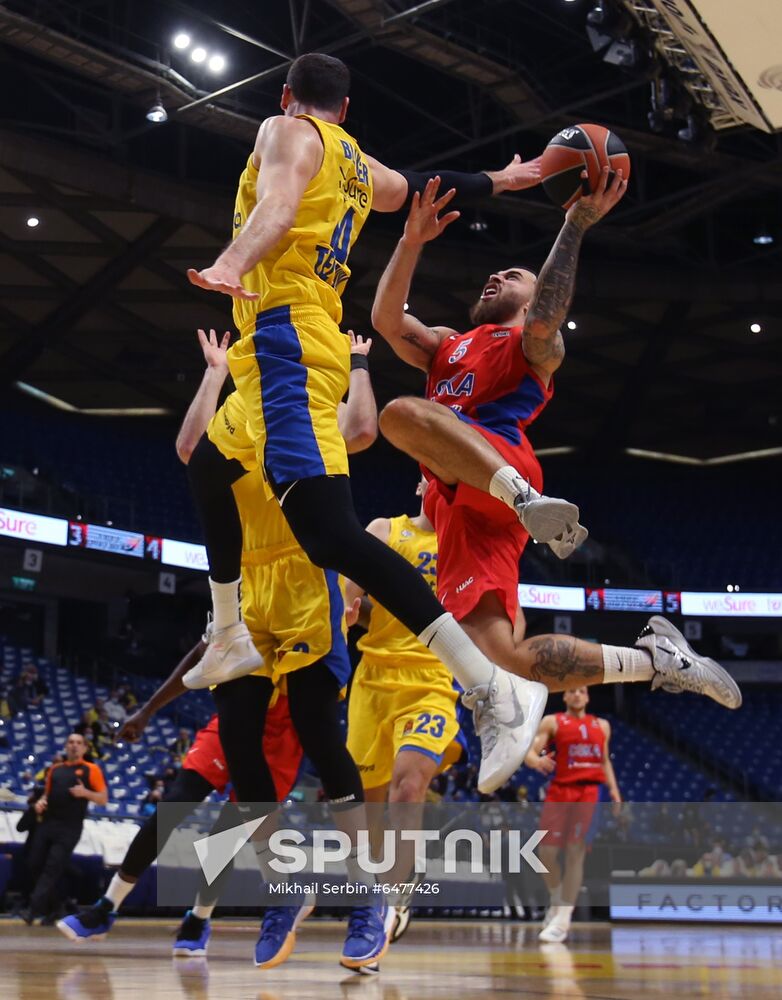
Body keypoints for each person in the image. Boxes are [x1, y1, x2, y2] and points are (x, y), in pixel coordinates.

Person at [184, 51, 575, 796]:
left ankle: (490, 687)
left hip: (285, 341)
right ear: (348, 108)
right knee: (209, 462)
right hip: (280, 346)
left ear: (288, 96)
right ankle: (229, 632)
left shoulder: (285, 131)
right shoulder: (361, 166)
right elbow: (428, 186)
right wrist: (510, 178)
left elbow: (278, 202)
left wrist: (233, 259)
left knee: (332, 533)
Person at [370, 171, 742, 723]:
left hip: (502, 465)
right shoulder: (448, 345)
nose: (496, 275)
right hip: (463, 510)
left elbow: (547, 310)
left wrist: (574, 223)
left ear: (530, 298)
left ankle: (523, 498)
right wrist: (410, 242)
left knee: (399, 414)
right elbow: (385, 319)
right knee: (501, 655)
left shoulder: (533, 344)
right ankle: (655, 660)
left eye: (512, 275)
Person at [57, 641, 301, 955]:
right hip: (232, 721)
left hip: (281, 740)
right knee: (172, 807)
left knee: (223, 838)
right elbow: (201, 653)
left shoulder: (313, 615)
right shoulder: (245, 605)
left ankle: (198, 920)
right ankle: (106, 908)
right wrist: (147, 712)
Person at [343, 477, 466, 956]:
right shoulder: (383, 531)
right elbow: (347, 592)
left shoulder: (467, 546)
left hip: (433, 681)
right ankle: (387, 884)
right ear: (419, 484)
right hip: (373, 681)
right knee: (369, 815)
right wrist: (346, 613)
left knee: (409, 785)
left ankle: (391, 901)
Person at [525, 686, 621, 943]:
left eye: (582, 691)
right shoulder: (553, 721)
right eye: (572, 691)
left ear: (588, 697)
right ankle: (556, 899)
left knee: (575, 851)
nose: (577, 695)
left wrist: (613, 789)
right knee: (545, 853)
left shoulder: (602, 726)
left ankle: (564, 918)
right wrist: (537, 762)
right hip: (560, 791)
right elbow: (530, 751)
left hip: (588, 792)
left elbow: (604, 761)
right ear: (565, 697)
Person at [21, 732, 107, 924]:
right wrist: (41, 802)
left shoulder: (91, 769)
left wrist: (85, 792)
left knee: (52, 867)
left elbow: (103, 798)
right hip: (48, 823)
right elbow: (47, 794)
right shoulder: (56, 770)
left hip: (70, 828)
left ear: (84, 748)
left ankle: (33, 909)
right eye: (70, 742)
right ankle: (57, 907)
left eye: (78, 743)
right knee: (34, 863)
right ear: (66, 746)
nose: (74, 745)